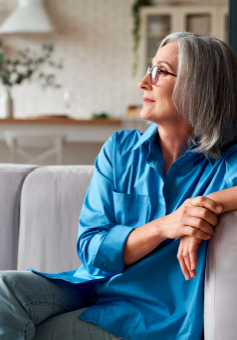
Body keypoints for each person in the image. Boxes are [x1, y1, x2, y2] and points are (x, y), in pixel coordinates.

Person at [1, 31, 237, 340]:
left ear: (199, 88)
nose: (143, 82)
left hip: (150, 314)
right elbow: (91, 248)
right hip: (93, 287)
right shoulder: (120, 149)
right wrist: (167, 225)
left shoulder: (226, 161)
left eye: (160, 71)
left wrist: (203, 205)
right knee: (4, 288)